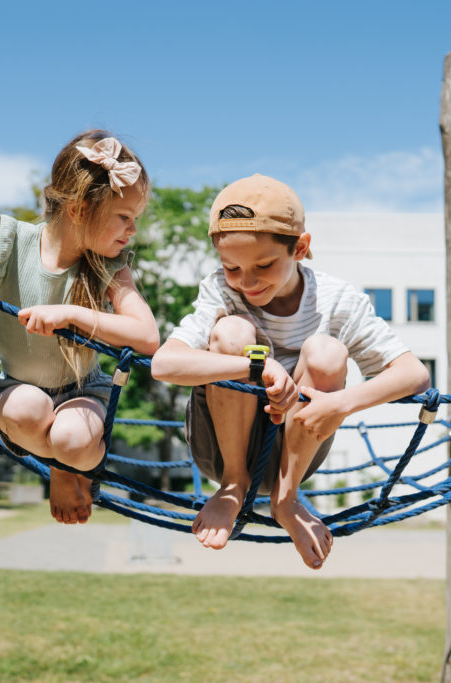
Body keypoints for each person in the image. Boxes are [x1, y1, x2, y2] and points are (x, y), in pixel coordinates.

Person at [151, 174, 430, 570]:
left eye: (264, 264)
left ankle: (286, 498)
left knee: (327, 352)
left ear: (299, 248)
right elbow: (164, 363)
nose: (246, 282)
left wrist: (341, 403)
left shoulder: (336, 300)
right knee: (232, 331)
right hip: (222, 449)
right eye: (231, 267)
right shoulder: (221, 291)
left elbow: (414, 374)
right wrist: (257, 366)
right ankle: (233, 487)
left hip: (296, 451)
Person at [0, 130, 159, 525]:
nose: (133, 231)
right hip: (16, 391)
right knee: (29, 409)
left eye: (136, 219)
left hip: (82, 394)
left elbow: (147, 337)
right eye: (124, 217)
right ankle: (60, 468)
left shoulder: (108, 266)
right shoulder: (15, 240)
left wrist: (73, 315)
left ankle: (69, 464)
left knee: (71, 439)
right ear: (79, 209)